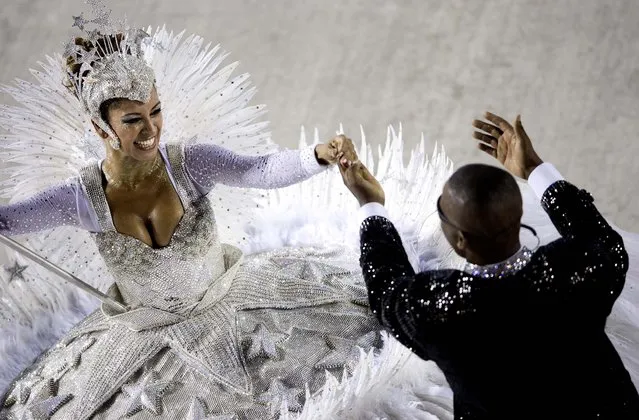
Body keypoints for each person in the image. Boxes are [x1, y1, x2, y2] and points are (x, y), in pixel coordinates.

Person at [0, 22, 391, 419]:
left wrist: (318, 155)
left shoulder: (190, 164)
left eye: (155, 111)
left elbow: (259, 170)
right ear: (101, 128)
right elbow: (8, 222)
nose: (150, 129)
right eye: (133, 119)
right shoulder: (81, 198)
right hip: (144, 343)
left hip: (238, 306)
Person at [339, 111, 639, 418]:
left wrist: (371, 204)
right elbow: (602, 238)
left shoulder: (443, 308)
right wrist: (534, 168)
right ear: (520, 214)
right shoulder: (576, 268)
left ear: (459, 240)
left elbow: (387, 290)